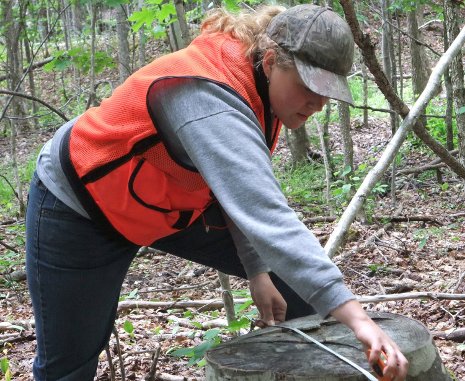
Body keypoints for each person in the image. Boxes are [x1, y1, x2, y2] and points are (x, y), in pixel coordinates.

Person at [26, 4, 409, 381]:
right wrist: (358, 319)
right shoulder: (207, 97)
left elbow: (236, 189)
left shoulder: (260, 87)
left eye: (327, 91)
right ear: (273, 61)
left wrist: (258, 270)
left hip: (163, 204)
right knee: (70, 364)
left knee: (295, 287)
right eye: (309, 85)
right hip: (78, 206)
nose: (319, 102)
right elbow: (265, 212)